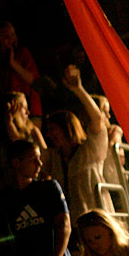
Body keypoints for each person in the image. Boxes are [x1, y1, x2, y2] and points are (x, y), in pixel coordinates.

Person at [45, 64, 109, 232]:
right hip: (73, 226)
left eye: (53, 129)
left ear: (66, 127)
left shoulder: (89, 149)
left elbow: (97, 119)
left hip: (99, 221)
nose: (49, 135)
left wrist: (78, 89)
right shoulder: (55, 157)